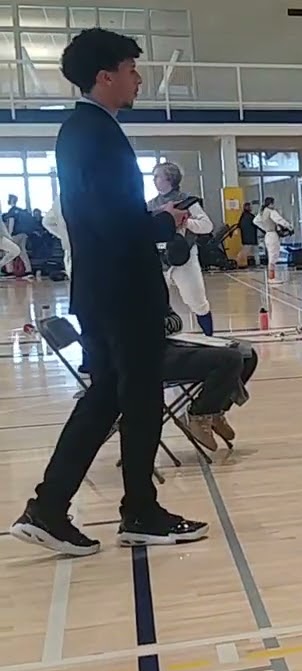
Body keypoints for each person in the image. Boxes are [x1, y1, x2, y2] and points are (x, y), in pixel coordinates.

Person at [9, 28, 207, 556]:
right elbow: (109, 221)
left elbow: (105, 215)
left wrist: (149, 218)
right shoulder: (93, 132)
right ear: (106, 76)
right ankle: (138, 511)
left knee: (106, 398)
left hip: (105, 290)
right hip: (121, 292)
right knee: (138, 400)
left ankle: (51, 507)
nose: (137, 78)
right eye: (131, 69)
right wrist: (163, 222)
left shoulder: (85, 131)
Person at [162, 305, 258, 451]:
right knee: (229, 360)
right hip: (144, 358)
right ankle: (199, 414)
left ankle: (215, 411)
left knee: (247, 354)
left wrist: (162, 324)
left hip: (169, 343)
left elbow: (176, 320)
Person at [148, 162, 216, 335]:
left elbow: (207, 226)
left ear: (169, 178)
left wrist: (186, 221)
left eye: (157, 176)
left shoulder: (187, 201)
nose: (154, 180)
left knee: (197, 302)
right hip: (158, 259)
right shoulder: (150, 204)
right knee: (156, 302)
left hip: (183, 257)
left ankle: (210, 338)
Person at [253, 195, 292, 284]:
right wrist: (289, 226)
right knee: (274, 255)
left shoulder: (262, 212)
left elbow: (255, 221)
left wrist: (264, 227)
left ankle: (271, 276)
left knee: (272, 254)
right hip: (273, 235)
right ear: (271, 203)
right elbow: (279, 220)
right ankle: (271, 277)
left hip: (267, 234)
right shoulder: (271, 212)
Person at [236, 200, 258, 268]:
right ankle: (237, 261)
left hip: (245, 236)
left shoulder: (243, 216)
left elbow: (239, 225)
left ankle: (246, 262)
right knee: (246, 250)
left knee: (248, 250)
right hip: (250, 237)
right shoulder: (250, 217)